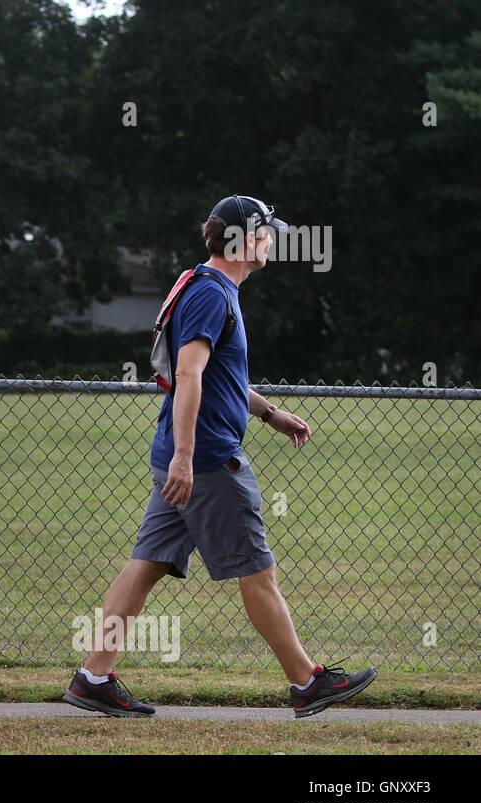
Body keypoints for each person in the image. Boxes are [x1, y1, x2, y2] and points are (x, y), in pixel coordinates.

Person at [63, 195, 377, 719]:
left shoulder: (213, 288)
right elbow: (188, 374)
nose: (272, 238)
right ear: (243, 239)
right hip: (206, 461)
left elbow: (219, 378)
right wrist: (187, 457)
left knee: (145, 566)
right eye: (266, 230)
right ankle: (307, 682)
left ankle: (93, 676)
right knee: (258, 572)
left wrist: (268, 412)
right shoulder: (212, 294)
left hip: (183, 455)